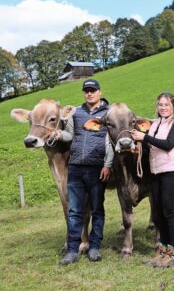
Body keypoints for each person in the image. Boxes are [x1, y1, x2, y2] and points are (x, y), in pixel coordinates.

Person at [58, 79, 113, 265]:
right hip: (75, 167)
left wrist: (108, 164)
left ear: (100, 91)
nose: (89, 93)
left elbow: (110, 141)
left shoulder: (109, 113)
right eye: (86, 91)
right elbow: (70, 136)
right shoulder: (76, 112)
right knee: (75, 211)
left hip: (97, 168)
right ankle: (73, 249)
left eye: (93, 90)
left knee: (97, 209)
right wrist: (57, 134)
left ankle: (95, 247)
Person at [132, 92, 174, 267]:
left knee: (170, 213)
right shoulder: (155, 124)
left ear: (173, 106)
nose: (163, 108)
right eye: (160, 105)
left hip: (173, 172)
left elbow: (168, 145)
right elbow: (153, 148)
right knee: (157, 214)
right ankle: (163, 251)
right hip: (156, 173)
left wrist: (144, 137)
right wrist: (140, 150)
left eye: (166, 105)